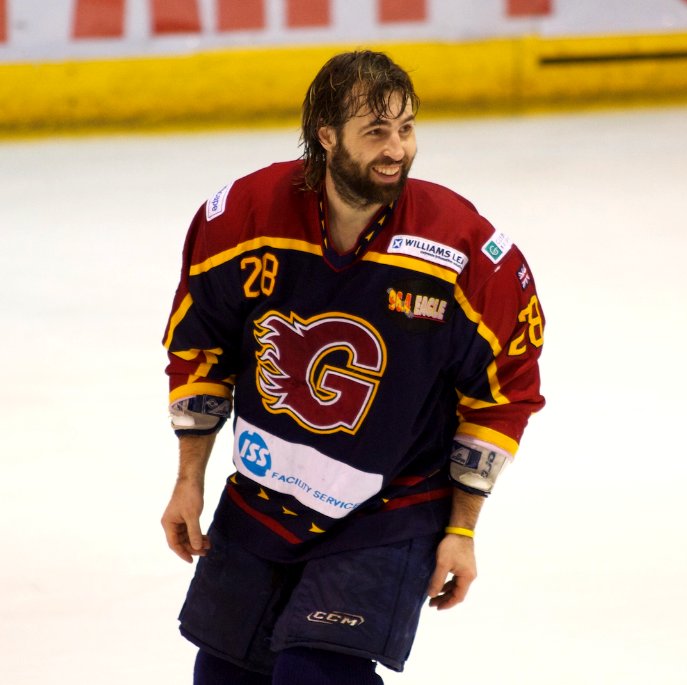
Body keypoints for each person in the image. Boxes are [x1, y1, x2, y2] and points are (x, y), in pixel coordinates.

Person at [160, 50, 545, 684]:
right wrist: (189, 479)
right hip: (263, 496)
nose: (397, 149)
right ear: (327, 136)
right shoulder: (243, 220)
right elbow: (200, 348)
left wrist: (463, 529)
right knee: (224, 678)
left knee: (312, 675)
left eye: (407, 128)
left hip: (389, 507)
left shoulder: (462, 250)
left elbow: (505, 390)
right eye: (376, 132)